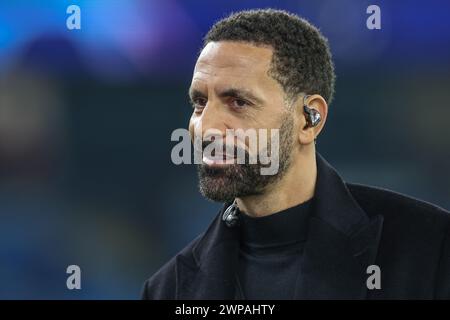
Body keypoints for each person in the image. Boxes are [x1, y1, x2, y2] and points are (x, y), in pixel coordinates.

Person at [141, 9, 450, 299]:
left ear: (308, 118)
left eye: (238, 102)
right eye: (199, 103)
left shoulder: (429, 248)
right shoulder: (168, 289)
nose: (206, 127)